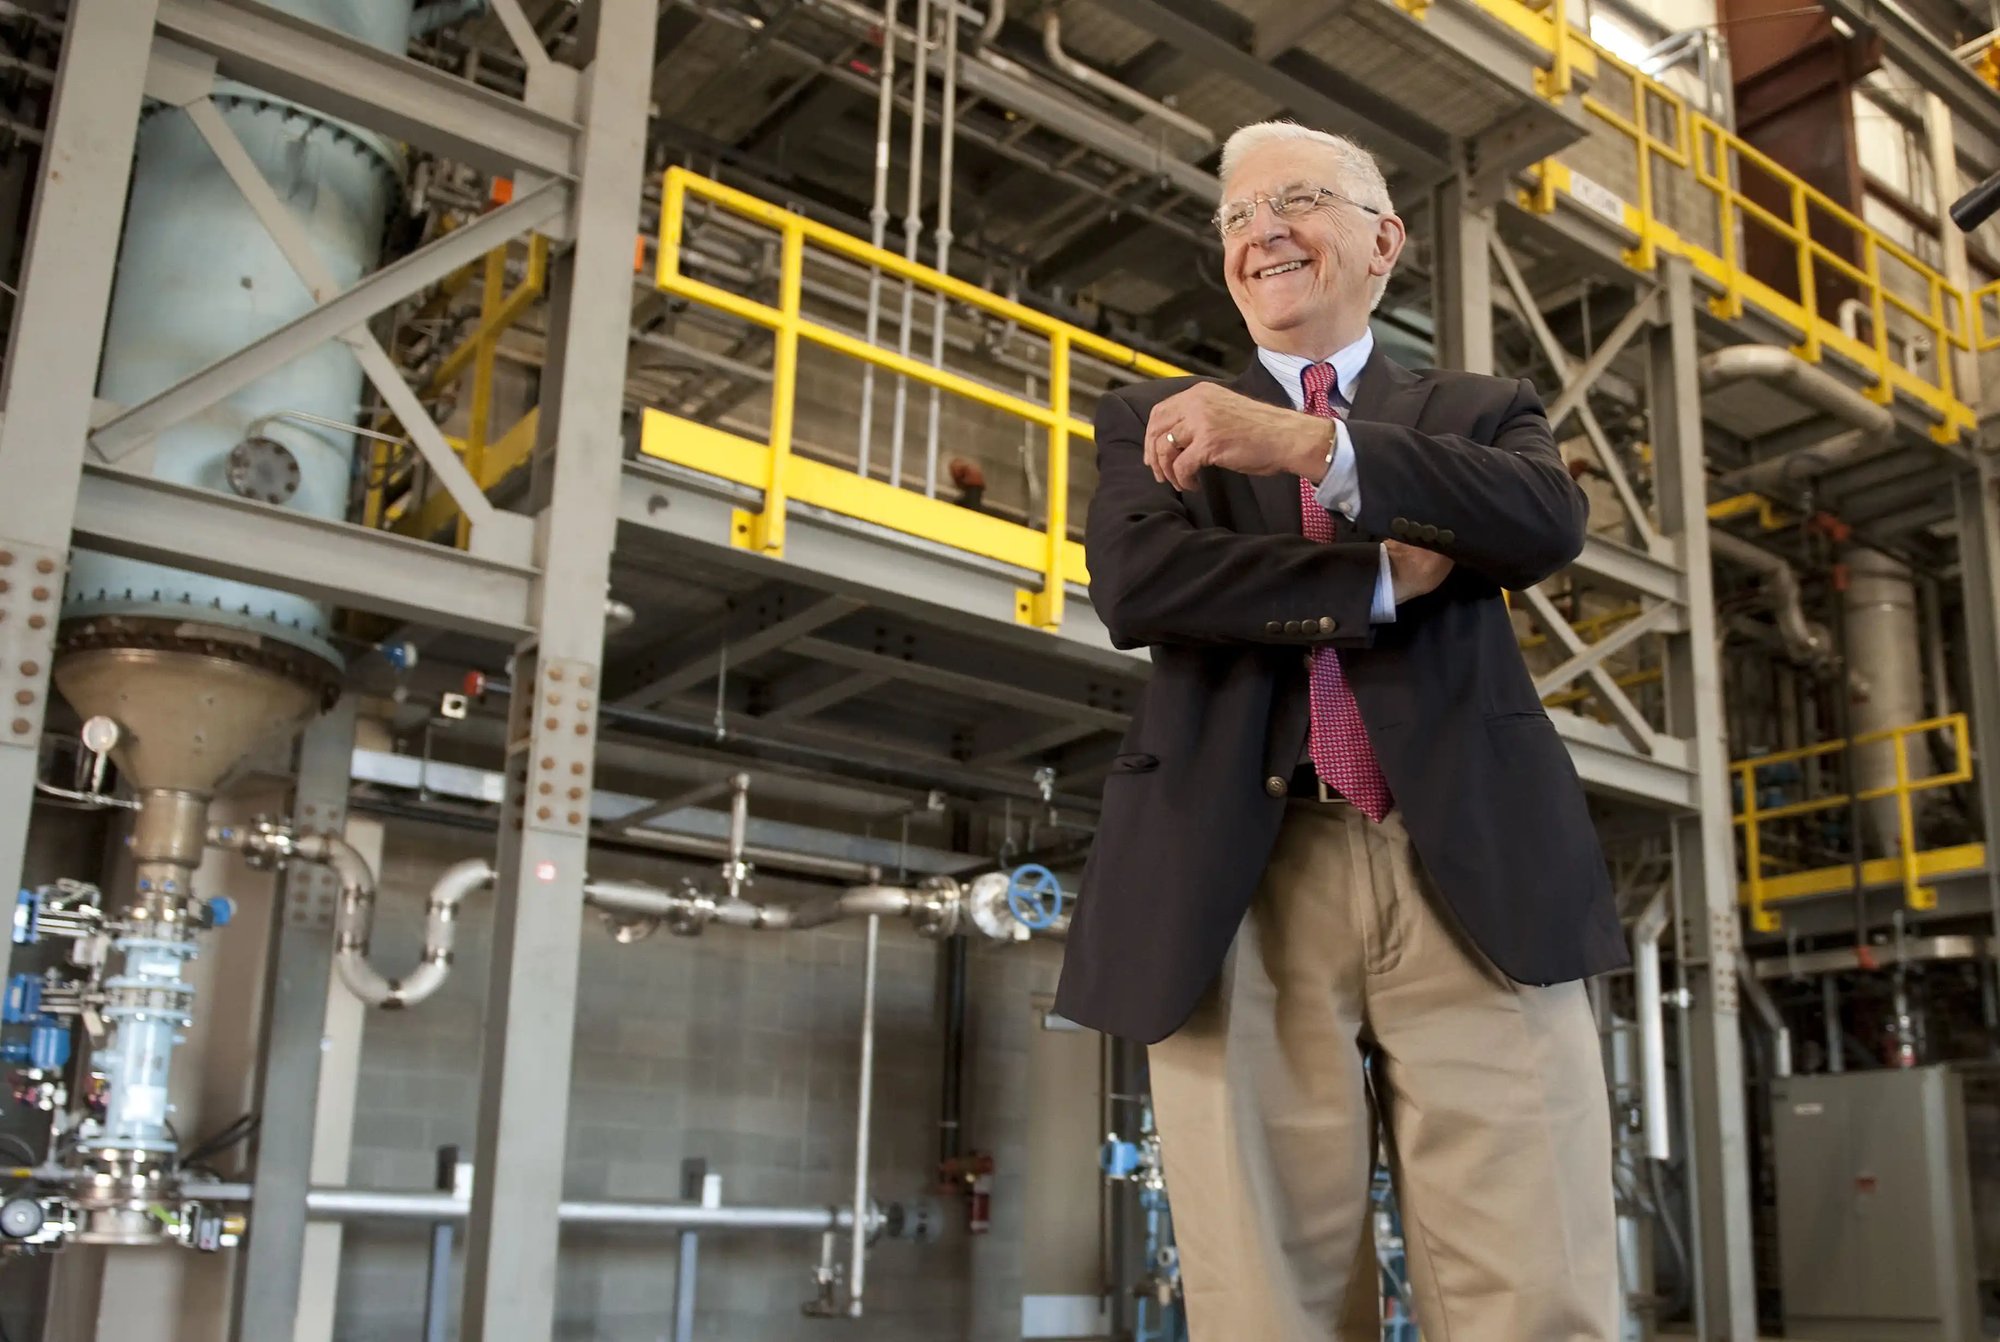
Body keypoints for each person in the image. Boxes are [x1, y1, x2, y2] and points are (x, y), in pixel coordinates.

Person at [1053, 120, 1628, 1341]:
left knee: (1536, 1285)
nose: (1259, 230)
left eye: (1298, 199)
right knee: (1265, 1298)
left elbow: (1540, 523)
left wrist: (1314, 448)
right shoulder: (1150, 422)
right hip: (1234, 878)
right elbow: (1141, 586)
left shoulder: (1478, 411)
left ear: (1384, 239)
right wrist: (1382, 582)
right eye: (1234, 216)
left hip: (1468, 872)